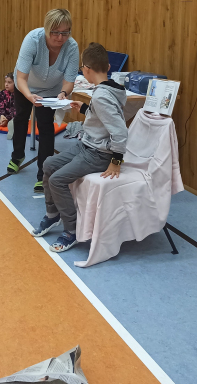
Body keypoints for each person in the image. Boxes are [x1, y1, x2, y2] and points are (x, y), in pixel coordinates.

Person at [31, 42, 128, 253]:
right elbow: (105, 116)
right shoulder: (109, 89)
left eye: (82, 67)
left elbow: (120, 132)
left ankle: (72, 230)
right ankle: (53, 215)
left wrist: (116, 161)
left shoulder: (101, 96)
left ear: (87, 69)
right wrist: (86, 108)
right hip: (87, 144)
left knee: (57, 180)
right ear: (108, 67)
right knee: (48, 164)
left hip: (98, 153)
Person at [8, 9, 80, 193]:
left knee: (46, 127)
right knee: (21, 118)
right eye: (55, 32)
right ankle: (17, 156)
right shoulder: (32, 40)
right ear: (47, 29)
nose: (60, 37)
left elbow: (69, 81)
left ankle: (43, 174)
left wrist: (63, 93)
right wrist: (29, 96)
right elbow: (21, 78)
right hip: (25, 86)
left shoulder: (72, 47)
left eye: (65, 33)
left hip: (51, 90)